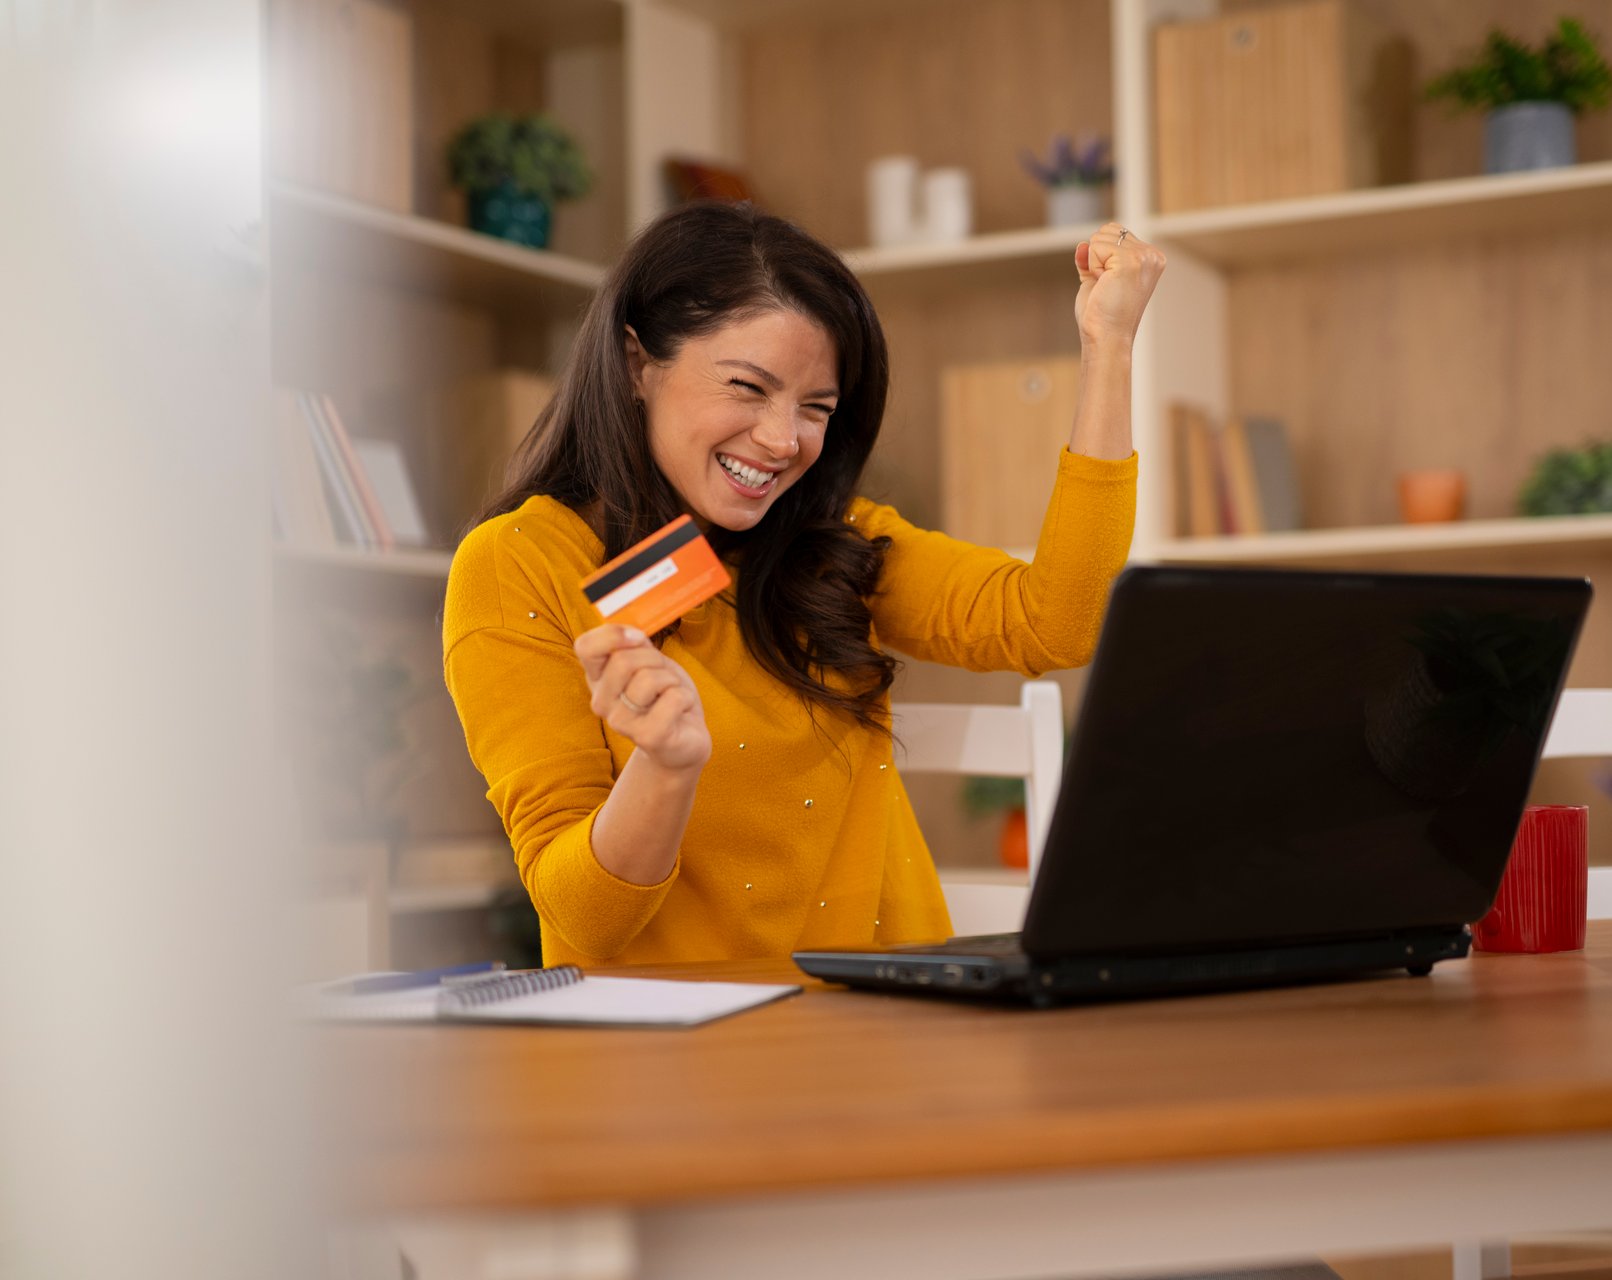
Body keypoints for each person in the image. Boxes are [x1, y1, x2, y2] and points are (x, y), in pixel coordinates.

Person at [443, 200, 1165, 966]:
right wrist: (664, 768)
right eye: (748, 388)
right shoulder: (520, 563)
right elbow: (584, 921)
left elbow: (1057, 621)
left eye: (815, 408)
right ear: (636, 365)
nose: (783, 440)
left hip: (890, 1026)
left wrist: (1109, 346)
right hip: (680, 1056)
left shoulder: (835, 543)